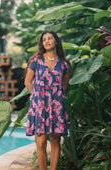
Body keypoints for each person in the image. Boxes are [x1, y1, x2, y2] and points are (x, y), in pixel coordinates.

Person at [25, 30, 71, 170]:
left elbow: (65, 86)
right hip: (40, 106)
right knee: (41, 142)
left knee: (56, 140)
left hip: (57, 106)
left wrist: (55, 99)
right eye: (44, 39)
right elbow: (28, 82)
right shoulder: (36, 61)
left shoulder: (64, 64)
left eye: (50, 38)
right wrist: (38, 99)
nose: (46, 41)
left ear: (56, 41)